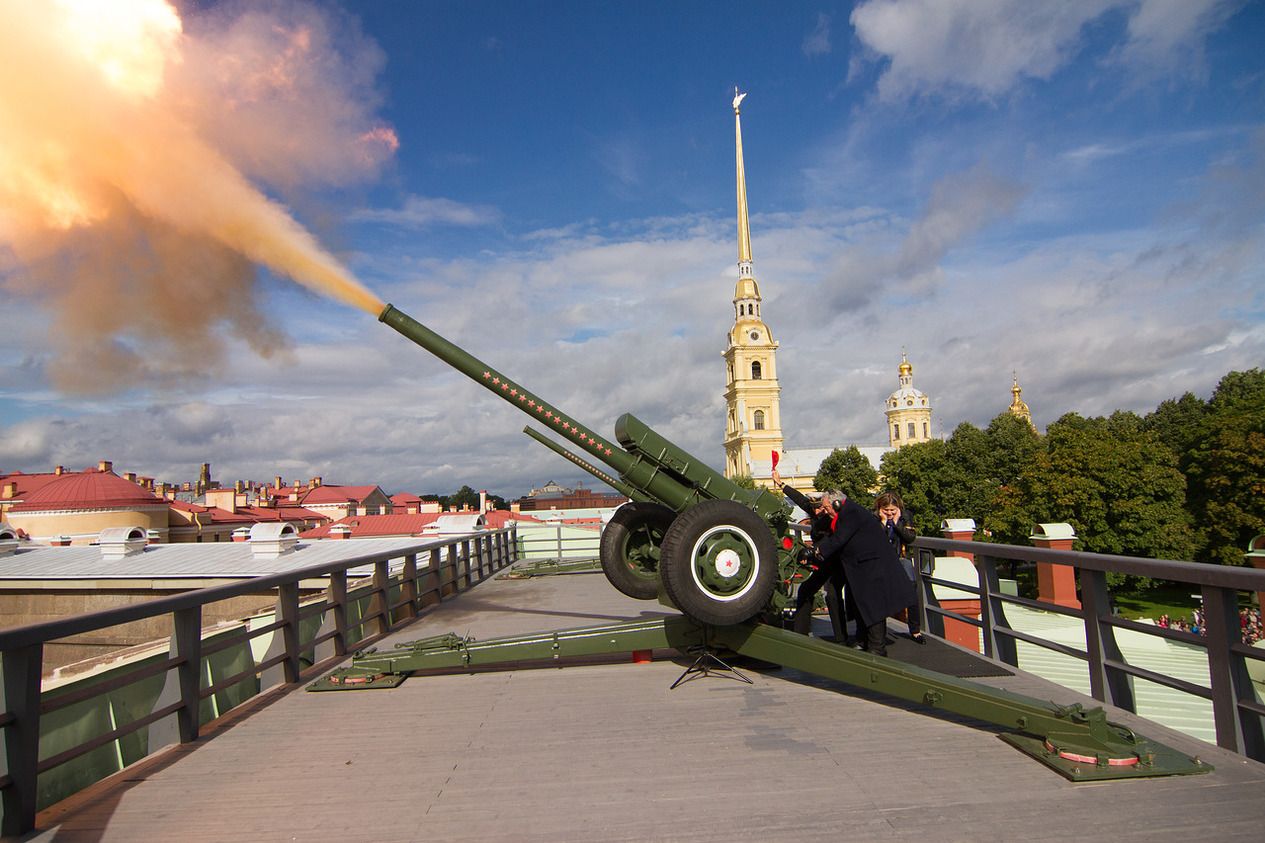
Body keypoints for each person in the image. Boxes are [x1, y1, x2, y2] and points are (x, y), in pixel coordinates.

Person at [772, 469, 915, 656]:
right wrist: (781, 484)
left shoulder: (850, 513)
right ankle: (868, 645)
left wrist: (815, 552)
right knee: (866, 603)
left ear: (837, 504)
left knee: (873, 605)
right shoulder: (842, 513)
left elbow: (839, 539)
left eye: (826, 507)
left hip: (871, 564)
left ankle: (875, 649)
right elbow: (803, 502)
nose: (823, 511)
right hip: (858, 563)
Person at [777, 479, 848, 639]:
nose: (817, 512)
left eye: (820, 508)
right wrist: (781, 484)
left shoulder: (832, 516)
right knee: (805, 590)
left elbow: (832, 539)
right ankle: (800, 636)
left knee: (833, 596)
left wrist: (810, 551)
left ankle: (841, 639)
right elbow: (799, 499)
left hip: (838, 560)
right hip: (823, 559)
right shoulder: (813, 510)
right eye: (815, 509)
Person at [874, 491, 924, 644]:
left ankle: (915, 630)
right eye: (886, 510)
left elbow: (910, 538)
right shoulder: (873, 517)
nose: (889, 513)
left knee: (911, 590)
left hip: (901, 558)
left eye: (892, 510)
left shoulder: (905, 515)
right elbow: (874, 538)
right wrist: (883, 522)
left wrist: (897, 523)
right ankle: (878, 632)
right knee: (879, 595)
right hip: (880, 560)